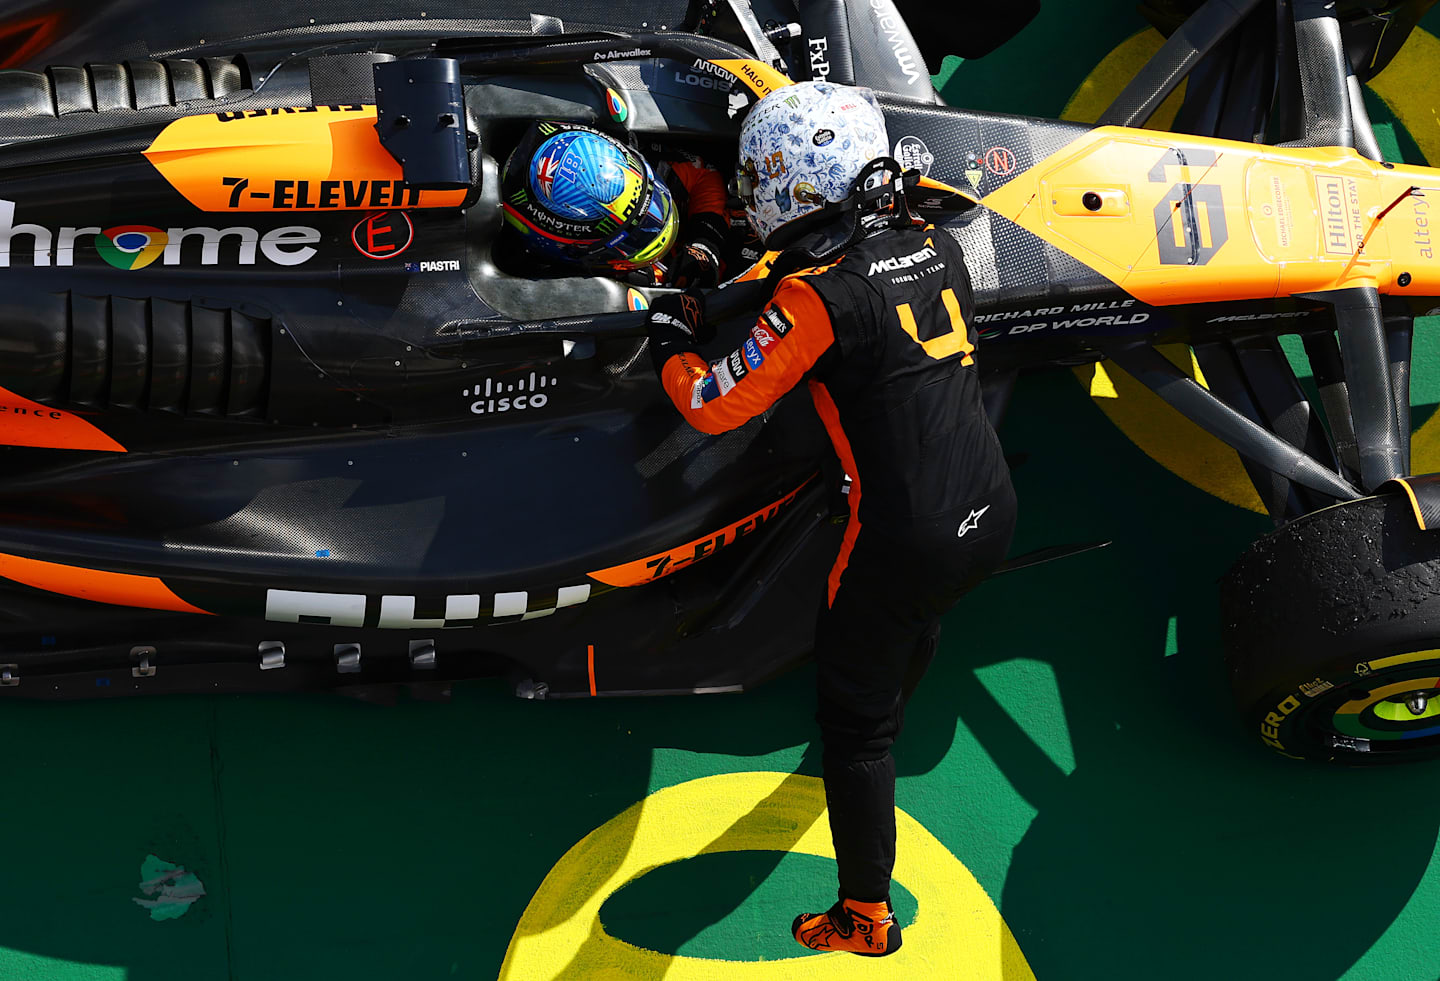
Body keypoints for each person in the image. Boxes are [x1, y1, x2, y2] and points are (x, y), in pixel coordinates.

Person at [643, 80, 1016, 957]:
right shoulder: (935, 247)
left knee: (855, 733)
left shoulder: (819, 302)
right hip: (989, 510)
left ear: (793, 189)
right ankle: (891, 680)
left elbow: (712, 403)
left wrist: (668, 339)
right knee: (913, 616)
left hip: (899, 539)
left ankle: (864, 916)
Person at [499, 121, 733, 288]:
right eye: (633, 237)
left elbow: (704, 173)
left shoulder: (640, 166)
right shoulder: (554, 281)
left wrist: (705, 243)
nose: (655, 224)